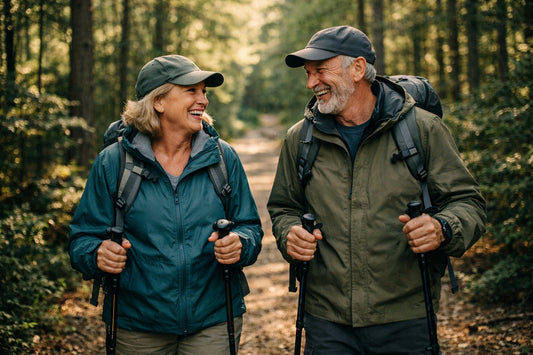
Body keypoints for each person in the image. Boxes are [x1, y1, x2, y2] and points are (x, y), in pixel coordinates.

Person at [267, 25, 486, 354]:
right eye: (308, 74)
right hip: (325, 319)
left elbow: (467, 203)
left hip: (405, 317)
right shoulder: (300, 138)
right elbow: (284, 207)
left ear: (357, 69)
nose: (312, 83)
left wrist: (442, 228)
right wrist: (289, 234)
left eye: (320, 71)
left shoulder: (422, 130)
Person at [69, 54, 263, 354]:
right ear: (158, 102)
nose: (203, 100)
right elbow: (82, 239)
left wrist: (241, 243)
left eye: (204, 92)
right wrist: (97, 254)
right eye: (191, 91)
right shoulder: (113, 163)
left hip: (213, 319)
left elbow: (250, 227)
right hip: (136, 327)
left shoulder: (223, 158)